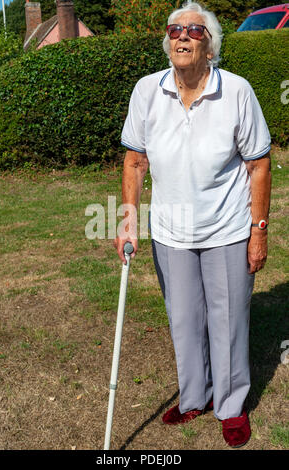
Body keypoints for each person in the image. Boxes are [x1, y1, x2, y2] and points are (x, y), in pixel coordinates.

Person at [114, 0, 271, 448]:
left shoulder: (236, 91)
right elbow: (134, 161)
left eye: (194, 31)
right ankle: (194, 397)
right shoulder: (147, 90)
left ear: (210, 45)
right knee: (184, 320)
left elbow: (259, 165)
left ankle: (231, 406)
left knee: (228, 320)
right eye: (175, 29)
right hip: (170, 231)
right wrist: (128, 220)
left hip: (226, 228)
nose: (182, 36)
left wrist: (258, 229)